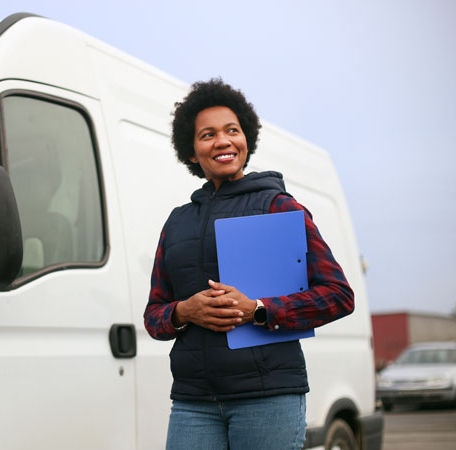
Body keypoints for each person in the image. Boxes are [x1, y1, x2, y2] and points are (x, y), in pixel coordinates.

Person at [143, 78, 355, 450]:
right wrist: (184, 311)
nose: (222, 141)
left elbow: (338, 295)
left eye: (232, 131)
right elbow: (154, 317)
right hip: (194, 402)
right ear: (192, 151)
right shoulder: (176, 222)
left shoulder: (279, 207)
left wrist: (258, 310)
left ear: (246, 141)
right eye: (207, 134)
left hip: (268, 397)